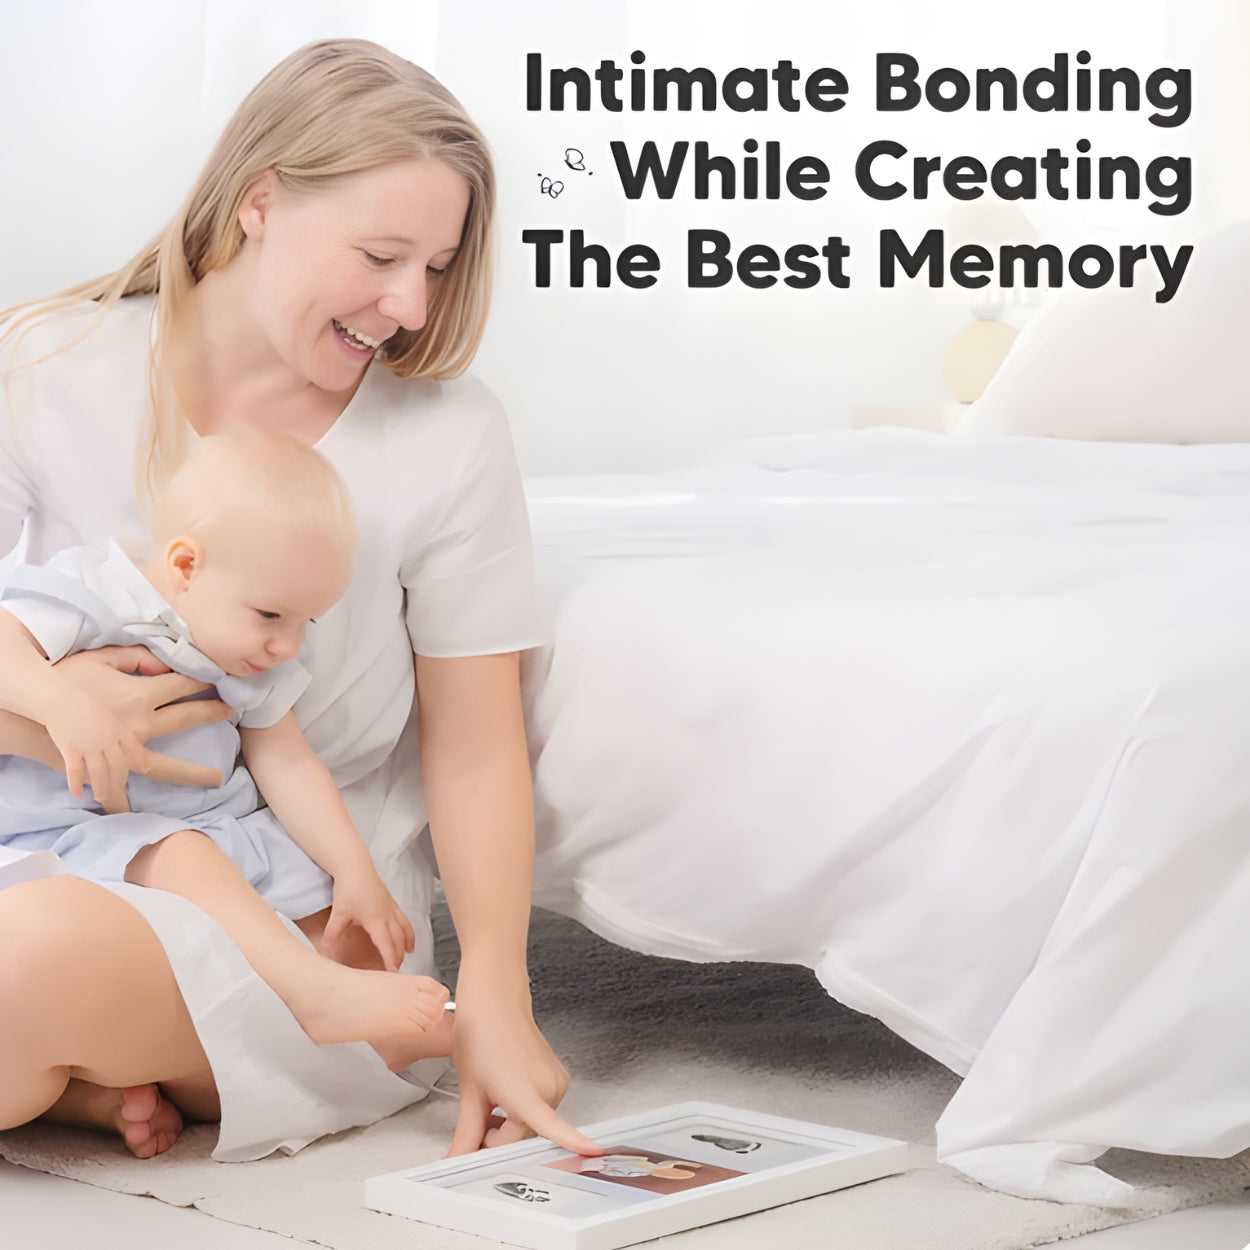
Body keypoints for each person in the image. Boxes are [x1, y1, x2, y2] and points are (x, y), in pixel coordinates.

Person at [0, 38, 599, 1164]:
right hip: (50, 834)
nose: (408, 304)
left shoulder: (449, 436)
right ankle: (74, 1079)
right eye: (381, 254)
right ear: (260, 201)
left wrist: (499, 999)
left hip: (310, 909)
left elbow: (475, 747)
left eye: (435, 265)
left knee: (22, 955)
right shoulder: (49, 362)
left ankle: (66, 1060)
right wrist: (59, 707)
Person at [0, 428, 455, 1066]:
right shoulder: (95, 591)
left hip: (211, 830)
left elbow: (287, 760)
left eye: (306, 623)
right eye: (271, 616)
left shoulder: (243, 660)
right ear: (186, 565)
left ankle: (106, 1092)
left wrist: (354, 867)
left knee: (347, 935)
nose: (288, 646)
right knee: (178, 854)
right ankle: (310, 996)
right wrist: (63, 705)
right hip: (76, 832)